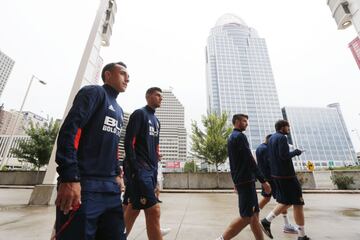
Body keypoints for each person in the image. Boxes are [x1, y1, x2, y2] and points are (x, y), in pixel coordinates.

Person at [54, 62, 129, 239]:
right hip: (84, 186)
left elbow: (113, 146)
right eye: (123, 73)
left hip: (110, 190)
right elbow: (71, 131)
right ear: (108, 75)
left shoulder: (119, 110)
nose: (128, 78)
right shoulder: (94, 93)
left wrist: (117, 174)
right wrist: (70, 177)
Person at [215, 114, 271, 240]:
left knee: (254, 216)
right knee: (247, 217)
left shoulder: (231, 137)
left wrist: (235, 181)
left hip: (242, 180)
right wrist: (263, 181)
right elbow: (249, 159)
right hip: (246, 181)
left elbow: (233, 162)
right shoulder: (239, 136)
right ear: (237, 122)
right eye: (244, 121)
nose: (247, 123)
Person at [123, 87, 168, 240]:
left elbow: (155, 146)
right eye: (157, 95)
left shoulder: (157, 121)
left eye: (161, 96)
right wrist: (134, 167)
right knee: (154, 211)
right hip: (140, 170)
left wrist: (155, 167)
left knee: (133, 209)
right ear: (148, 96)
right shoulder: (139, 114)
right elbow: (129, 141)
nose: (161, 98)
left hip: (151, 170)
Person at [260, 120, 310, 240]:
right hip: (287, 176)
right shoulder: (282, 138)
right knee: (298, 202)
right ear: (282, 127)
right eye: (288, 127)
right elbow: (284, 156)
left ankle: (268, 221)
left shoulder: (271, 139)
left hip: (277, 176)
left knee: (287, 201)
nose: (289, 129)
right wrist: (296, 152)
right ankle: (301, 235)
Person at [256, 134, 298, 234]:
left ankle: (252, 217)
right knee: (284, 200)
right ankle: (285, 225)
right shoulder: (266, 149)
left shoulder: (259, 148)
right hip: (272, 178)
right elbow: (271, 163)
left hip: (265, 178)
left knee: (267, 198)